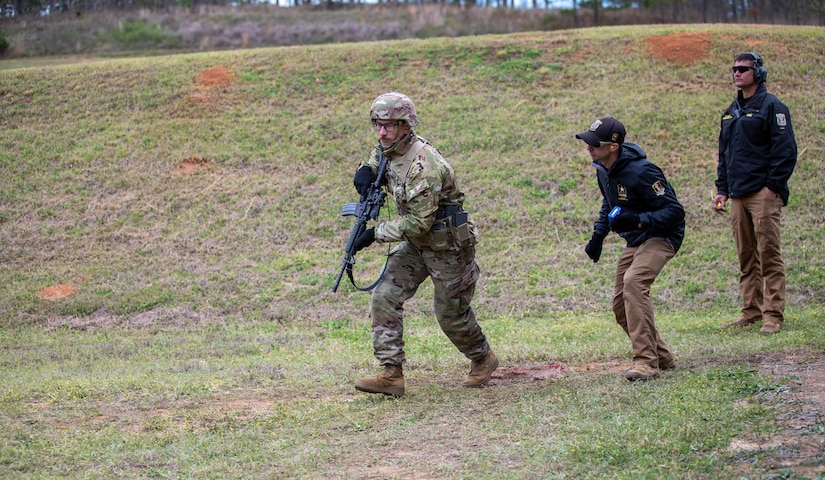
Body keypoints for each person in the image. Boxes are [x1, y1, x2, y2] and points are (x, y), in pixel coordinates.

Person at [348, 92, 498, 396]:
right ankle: (391, 374)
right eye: (377, 124)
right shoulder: (389, 148)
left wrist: (374, 234)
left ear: (405, 126)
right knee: (384, 295)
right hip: (418, 245)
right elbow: (377, 159)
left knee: (451, 316)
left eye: (389, 125)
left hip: (448, 249)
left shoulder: (423, 165)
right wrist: (365, 171)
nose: (381, 131)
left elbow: (419, 222)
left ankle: (483, 358)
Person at [578, 117, 685, 381]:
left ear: (613, 146)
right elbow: (609, 203)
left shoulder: (643, 172)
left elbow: (675, 212)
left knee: (634, 282)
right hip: (636, 238)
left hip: (662, 235)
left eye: (594, 144)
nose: (588, 148)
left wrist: (638, 220)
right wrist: (598, 237)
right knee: (619, 306)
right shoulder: (603, 168)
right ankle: (662, 356)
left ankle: (646, 362)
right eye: (588, 142)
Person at [713, 52, 798, 334]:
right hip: (737, 194)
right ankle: (751, 311)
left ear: (758, 73)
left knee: (768, 254)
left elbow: (785, 151)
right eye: (734, 69)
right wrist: (722, 190)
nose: (737, 73)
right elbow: (724, 155)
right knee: (746, 256)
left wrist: (773, 187)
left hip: (763, 194)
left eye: (743, 69)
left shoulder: (773, 107)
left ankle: (773, 315)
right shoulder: (730, 111)